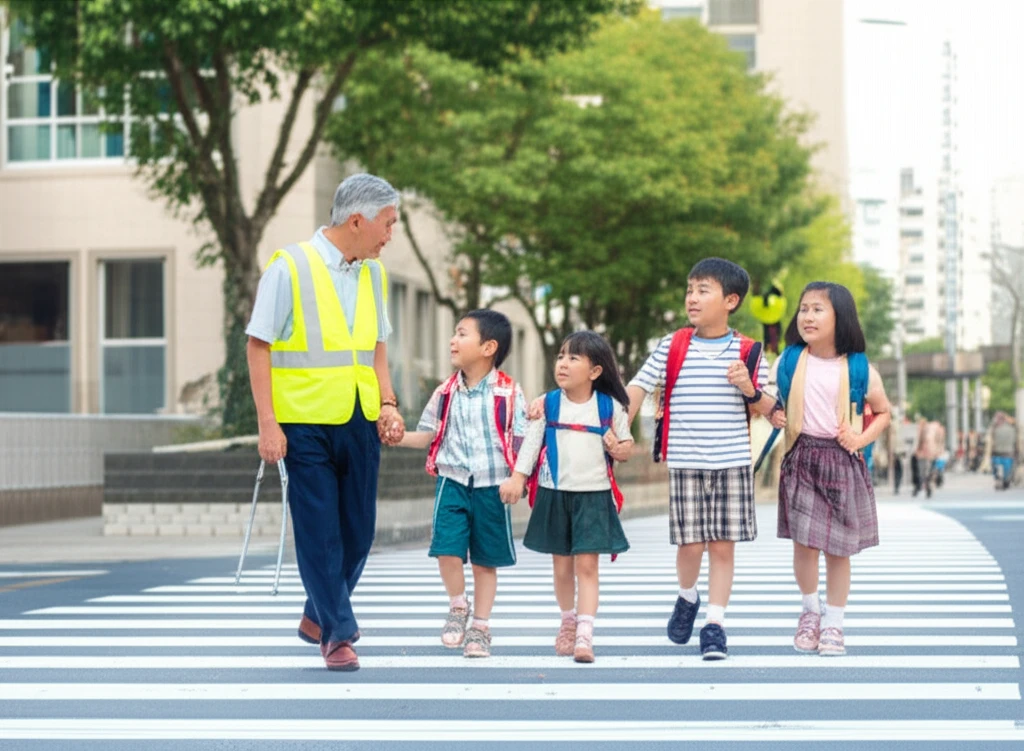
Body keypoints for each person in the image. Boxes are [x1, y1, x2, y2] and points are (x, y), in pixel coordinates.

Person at [246, 173, 406, 672]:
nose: (390, 235)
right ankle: (337, 633)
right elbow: (258, 345)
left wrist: (388, 403)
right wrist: (267, 424)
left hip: (359, 419)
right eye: (387, 224)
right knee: (319, 531)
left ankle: (317, 613)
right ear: (357, 221)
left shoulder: (374, 274)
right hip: (303, 424)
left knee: (360, 532)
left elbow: (377, 347)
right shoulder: (289, 266)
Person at [623, 258, 783, 661]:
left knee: (722, 546)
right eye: (690, 289)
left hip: (732, 463)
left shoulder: (749, 351)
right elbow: (637, 388)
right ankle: (686, 595)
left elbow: (770, 408)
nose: (692, 298)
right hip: (686, 461)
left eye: (703, 290)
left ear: (730, 300)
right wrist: (618, 427)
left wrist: (749, 387)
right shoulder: (672, 345)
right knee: (690, 545)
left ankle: (714, 625)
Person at [397, 309, 527, 659]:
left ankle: (481, 627)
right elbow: (427, 434)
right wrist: (396, 436)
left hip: (493, 485)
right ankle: (458, 605)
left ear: (488, 347)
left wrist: (519, 478)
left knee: (486, 561)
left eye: (462, 334)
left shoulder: (509, 392)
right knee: (446, 549)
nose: (453, 340)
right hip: (452, 480)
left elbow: (523, 440)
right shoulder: (445, 392)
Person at [500, 331, 633, 663]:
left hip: (594, 496)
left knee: (587, 566)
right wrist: (518, 477)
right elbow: (531, 444)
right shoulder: (547, 404)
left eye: (574, 358)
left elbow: (627, 444)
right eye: (561, 356)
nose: (563, 363)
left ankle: (585, 633)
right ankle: (568, 622)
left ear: (595, 371)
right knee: (561, 567)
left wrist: (619, 448)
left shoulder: (609, 406)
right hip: (554, 493)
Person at [775, 282, 891, 657]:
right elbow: (767, 401)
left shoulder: (860, 368)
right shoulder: (789, 361)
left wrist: (860, 438)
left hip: (843, 460)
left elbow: (885, 413)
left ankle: (835, 622)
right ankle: (811, 611)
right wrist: (772, 412)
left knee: (839, 551)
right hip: (802, 457)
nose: (807, 316)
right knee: (805, 545)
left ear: (841, 317)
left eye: (818, 309)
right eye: (803, 308)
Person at [990, 413, 1017, 490]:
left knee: (995, 466)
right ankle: (1006, 481)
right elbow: (1015, 441)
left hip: (997, 453)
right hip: (1008, 453)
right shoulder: (1012, 429)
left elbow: (990, 442)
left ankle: (998, 479)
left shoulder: (994, 429)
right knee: (1008, 469)